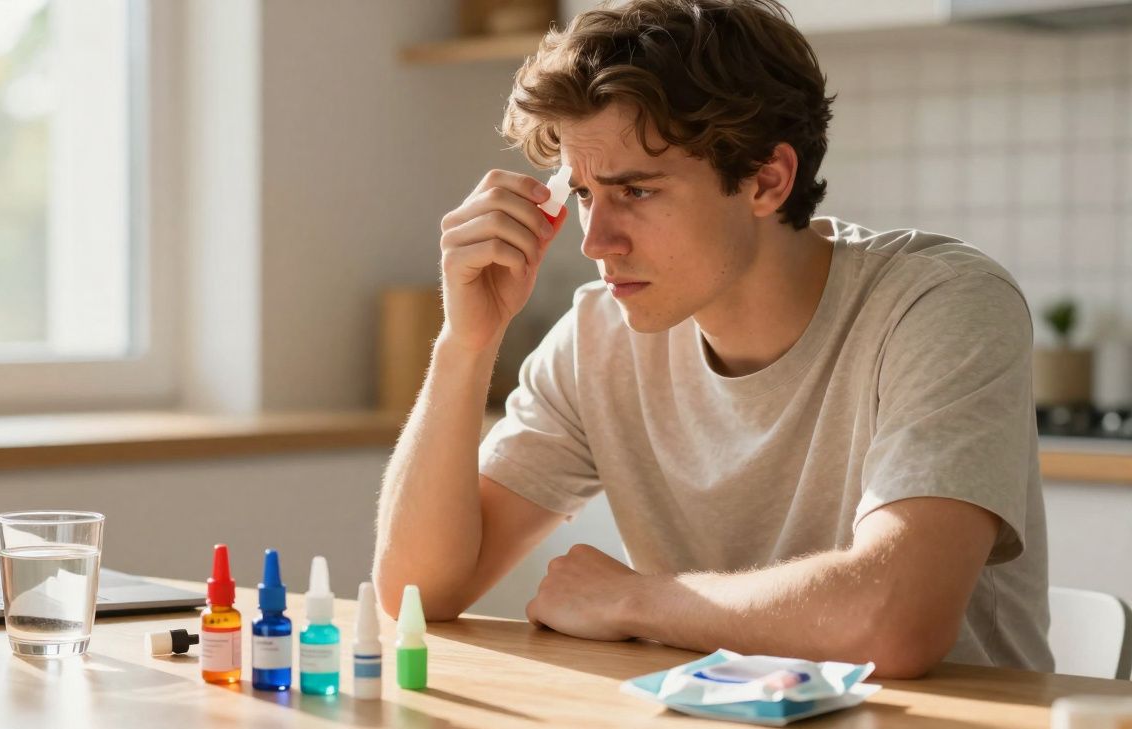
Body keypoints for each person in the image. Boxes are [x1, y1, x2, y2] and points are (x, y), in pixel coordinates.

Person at [372, 0, 1052, 678]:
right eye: (582, 194)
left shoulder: (938, 305)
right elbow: (417, 593)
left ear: (767, 180)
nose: (593, 242)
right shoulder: (597, 337)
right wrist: (466, 342)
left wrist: (637, 601)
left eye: (634, 191)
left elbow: (894, 623)